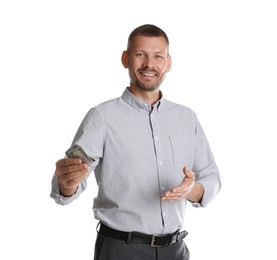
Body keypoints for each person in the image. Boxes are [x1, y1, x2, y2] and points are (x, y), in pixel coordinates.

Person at [50, 24, 221, 260]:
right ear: (126, 59)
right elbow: (68, 189)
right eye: (141, 55)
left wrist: (193, 190)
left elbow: (211, 177)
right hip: (121, 250)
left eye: (158, 56)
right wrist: (67, 182)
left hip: (176, 250)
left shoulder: (187, 118)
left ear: (168, 63)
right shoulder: (101, 117)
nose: (149, 64)